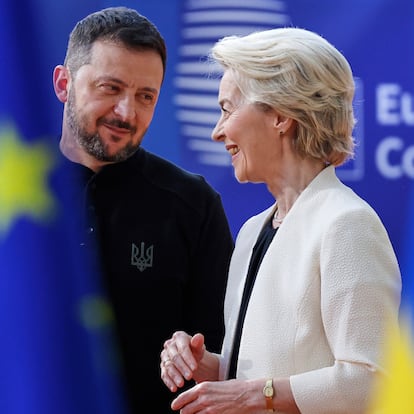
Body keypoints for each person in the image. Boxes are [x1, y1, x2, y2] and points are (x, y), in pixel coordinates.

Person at [160, 27, 402, 413]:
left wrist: (256, 394)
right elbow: (280, 373)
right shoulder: (253, 231)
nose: (217, 131)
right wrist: (211, 368)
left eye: (227, 109)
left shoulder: (347, 223)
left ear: (280, 115)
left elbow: (374, 382)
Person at [52, 7, 234, 413]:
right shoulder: (15, 197)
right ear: (64, 84)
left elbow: (225, 355)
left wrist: (196, 355)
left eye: (145, 96)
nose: (127, 113)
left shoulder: (192, 204)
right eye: (110, 88)